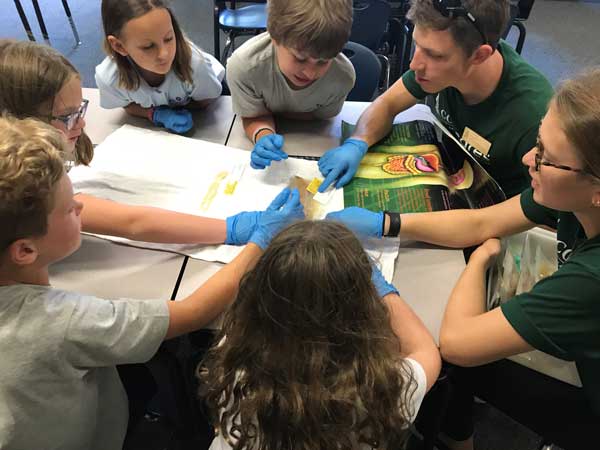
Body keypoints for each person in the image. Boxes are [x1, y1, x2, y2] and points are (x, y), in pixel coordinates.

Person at [327, 67, 600, 448]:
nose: (527, 159)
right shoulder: (573, 197)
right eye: (537, 144)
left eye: (545, 158)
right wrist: (388, 223)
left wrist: (478, 262)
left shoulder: (591, 280)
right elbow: (481, 220)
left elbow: (458, 342)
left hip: (587, 398)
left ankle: (455, 435)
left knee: (452, 366)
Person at [0, 113, 304, 449]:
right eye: (70, 209)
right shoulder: (63, 321)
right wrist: (261, 242)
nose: (81, 205)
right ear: (25, 250)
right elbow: (193, 312)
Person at [200, 220, 441, 450]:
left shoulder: (233, 366)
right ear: (363, 309)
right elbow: (426, 352)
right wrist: (384, 290)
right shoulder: (383, 387)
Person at [0, 39, 258, 248]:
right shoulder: (23, 186)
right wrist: (229, 228)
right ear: (20, 121)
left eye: (80, 110)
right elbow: (134, 223)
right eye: (68, 116)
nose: (81, 124)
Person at [318, 0, 553, 198]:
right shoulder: (443, 68)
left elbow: (547, 209)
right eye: (418, 45)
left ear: (480, 55)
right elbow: (387, 104)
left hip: (497, 215)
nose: (414, 64)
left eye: (434, 55)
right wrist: (358, 141)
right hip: (451, 183)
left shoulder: (533, 115)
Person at [226, 0, 355, 170]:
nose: (310, 73)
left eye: (323, 62)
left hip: (315, 139)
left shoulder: (342, 78)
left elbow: (322, 118)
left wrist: (268, 115)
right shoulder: (244, 67)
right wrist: (263, 134)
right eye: (300, 58)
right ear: (274, 36)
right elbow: (252, 117)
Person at [95, 0, 224, 134]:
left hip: (208, 96)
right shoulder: (108, 77)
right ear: (119, 46)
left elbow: (205, 100)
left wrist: (177, 109)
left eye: (168, 38)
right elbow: (127, 105)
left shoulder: (195, 66)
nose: (164, 54)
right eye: (148, 46)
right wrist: (154, 113)